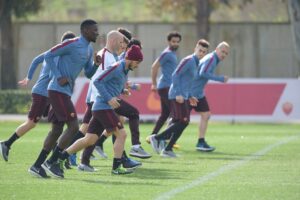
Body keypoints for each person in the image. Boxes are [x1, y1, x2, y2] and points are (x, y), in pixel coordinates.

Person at [48, 45, 144, 177]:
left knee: (89, 139)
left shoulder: (124, 70)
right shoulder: (116, 67)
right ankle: (116, 167)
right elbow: (98, 81)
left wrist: (122, 90)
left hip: (101, 108)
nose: (138, 65)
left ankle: (58, 159)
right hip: (103, 107)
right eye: (137, 62)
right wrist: (109, 98)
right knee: (122, 134)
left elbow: (111, 84)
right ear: (131, 59)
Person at [28, 19, 100, 178]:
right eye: (94, 30)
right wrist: (59, 76)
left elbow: (88, 74)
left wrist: (95, 65)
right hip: (56, 90)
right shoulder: (72, 43)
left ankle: (36, 165)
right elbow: (49, 55)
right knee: (74, 127)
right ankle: (52, 161)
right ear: (85, 30)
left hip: (64, 92)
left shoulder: (89, 49)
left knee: (56, 130)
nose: (97, 33)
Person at [0, 31, 76, 163]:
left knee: (56, 125)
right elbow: (56, 76)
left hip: (49, 94)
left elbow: (36, 60)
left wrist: (29, 77)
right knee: (32, 123)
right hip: (43, 93)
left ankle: (55, 156)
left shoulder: (53, 52)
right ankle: (6, 143)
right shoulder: (60, 55)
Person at [70, 30, 124, 172]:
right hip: (98, 99)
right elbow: (99, 79)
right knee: (89, 130)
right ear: (113, 41)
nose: (122, 45)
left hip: (100, 99)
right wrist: (106, 97)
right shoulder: (104, 55)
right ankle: (66, 154)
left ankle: (79, 159)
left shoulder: (111, 56)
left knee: (91, 133)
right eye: (120, 42)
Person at [149, 39, 207, 158]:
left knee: (180, 122)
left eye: (204, 52)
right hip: (176, 94)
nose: (201, 53)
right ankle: (157, 138)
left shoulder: (197, 63)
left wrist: (190, 96)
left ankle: (167, 149)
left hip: (184, 95)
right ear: (195, 48)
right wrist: (178, 93)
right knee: (184, 121)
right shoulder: (189, 60)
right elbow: (175, 75)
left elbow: (187, 81)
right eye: (200, 50)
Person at [95, 37, 151, 160]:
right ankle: (132, 149)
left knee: (113, 128)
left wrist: (122, 89)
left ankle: (99, 146)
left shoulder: (125, 63)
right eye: (137, 51)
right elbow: (102, 80)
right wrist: (133, 86)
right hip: (105, 99)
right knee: (128, 119)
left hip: (110, 97)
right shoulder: (121, 62)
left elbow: (120, 81)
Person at [191, 41, 230, 152]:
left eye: (226, 53)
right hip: (192, 92)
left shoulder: (212, 58)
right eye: (222, 51)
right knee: (178, 119)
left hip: (198, 93)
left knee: (206, 115)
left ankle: (201, 142)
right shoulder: (211, 59)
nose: (224, 55)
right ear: (216, 49)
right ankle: (163, 139)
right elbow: (203, 73)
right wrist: (220, 79)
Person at [149, 31, 181, 139]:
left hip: (167, 87)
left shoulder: (171, 54)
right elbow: (154, 66)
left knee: (165, 115)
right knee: (175, 114)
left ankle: (152, 136)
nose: (175, 44)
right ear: (168, 41)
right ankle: (165, 138)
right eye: (173, 41)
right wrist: (153, 83)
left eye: (177, 42)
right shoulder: (166, 53)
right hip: (166, 87)